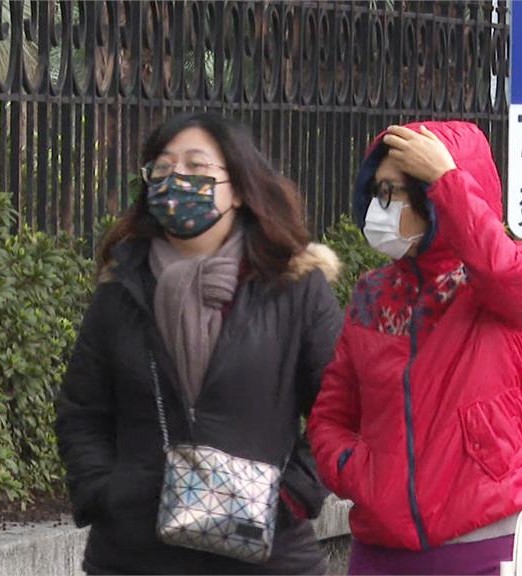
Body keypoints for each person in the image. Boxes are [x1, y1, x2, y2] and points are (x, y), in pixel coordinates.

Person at [55, 111, 342, 574]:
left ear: (241, 188)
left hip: (268, 552)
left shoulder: (295, 286)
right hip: (134, 555)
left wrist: (290, 496)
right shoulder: (121, 287)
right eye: (163, 170)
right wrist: (105, 491)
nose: (176, 182)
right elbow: (82, 411)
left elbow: (342, 407)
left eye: (196, 168)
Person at [307, 121, 522, 575]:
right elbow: (331, 416)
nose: (384, 207)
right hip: (379, 549)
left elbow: (506, 274)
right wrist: (360, 472)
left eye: (398, 191)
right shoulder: (371, 292)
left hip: (483, 545)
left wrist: (448, 180)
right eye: (379, 191)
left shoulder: (499, 283)